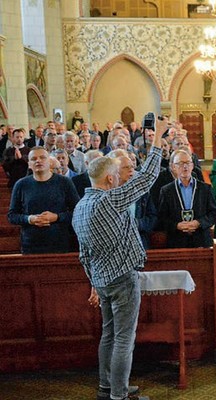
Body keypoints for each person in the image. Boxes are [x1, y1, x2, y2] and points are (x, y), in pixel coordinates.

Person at [71, 117, 166, 400]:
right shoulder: (108, 200)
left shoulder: (80, 206)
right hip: (122, 278)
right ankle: (119, 395)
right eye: (118, 174)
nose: (122, 177)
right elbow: (148, 179)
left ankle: (107, 386)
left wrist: (93, 283)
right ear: (110, 178)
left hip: (101, 280)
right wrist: (158, 137)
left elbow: (83, 254)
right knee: (124, 338)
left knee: (109, 335)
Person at [8, 147, 80, 254]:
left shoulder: (65, 182)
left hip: (59, 243)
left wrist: (56, 217)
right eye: (34, 158)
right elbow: (12, 216)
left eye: (42, 157)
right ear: (29, 164)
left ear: (49, 162)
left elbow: (78, 212)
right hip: (30, 244)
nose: (38, 161)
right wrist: (30, 219)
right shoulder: (21, 184)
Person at [158, 149, 216, 248]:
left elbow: (214, 214)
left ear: (192, 166)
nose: (185, 167)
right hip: (177, 242)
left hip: (201, 241)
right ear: (173, 167)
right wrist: (177, 225)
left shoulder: (205, 188)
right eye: (180, 164)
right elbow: (162, 218)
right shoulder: (166, 191)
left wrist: (199, 223)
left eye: (188, 163)